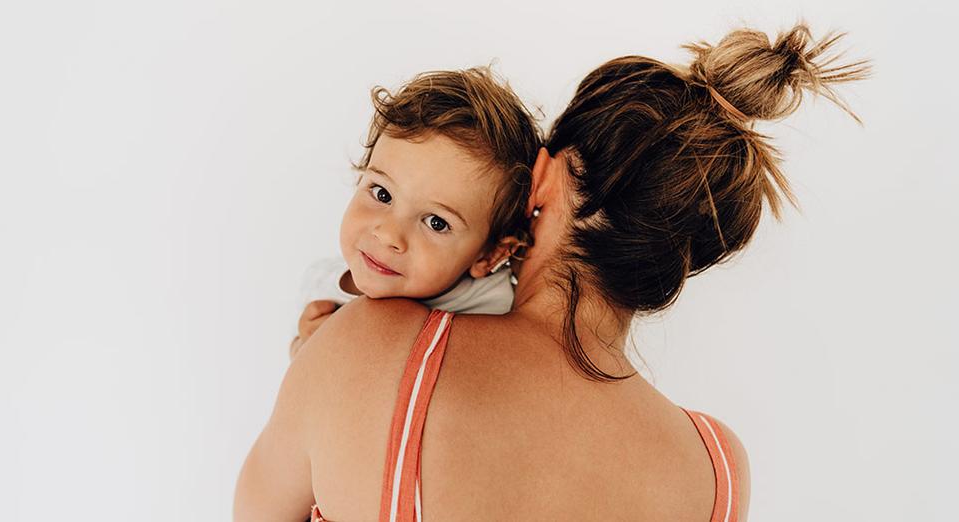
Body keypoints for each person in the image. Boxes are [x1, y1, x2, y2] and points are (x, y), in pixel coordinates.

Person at [235, 23, 868, 521]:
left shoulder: (372, 348)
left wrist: (320, 367)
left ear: (545, 177)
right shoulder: (717, 474)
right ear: (686, 256)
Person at [288, 67, 542, 360]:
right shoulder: (321, 287)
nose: (388, 235)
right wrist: (304, 351)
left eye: (436, 222)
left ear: (490, 256)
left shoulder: (491, 315)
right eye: (382, 194)